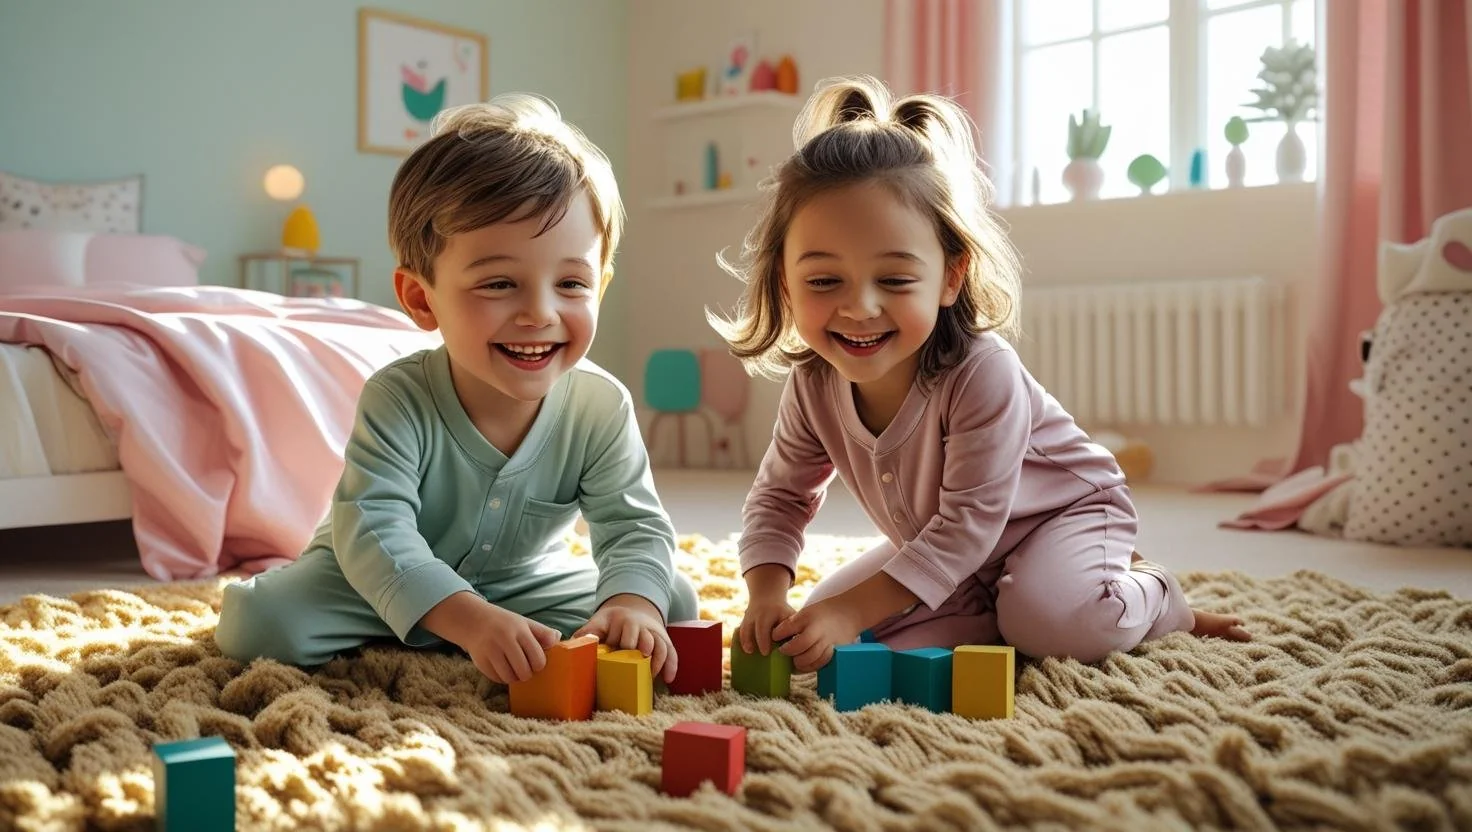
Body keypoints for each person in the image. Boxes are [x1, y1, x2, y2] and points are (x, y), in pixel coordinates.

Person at [710, 76, 1250, 673]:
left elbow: (965, 528)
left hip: (1063, 517)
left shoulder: (981, 372)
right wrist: (767, 595)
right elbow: (781, 496)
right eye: (823, 280)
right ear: (786, 284)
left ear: (951, 276)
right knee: (839, 634)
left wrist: (852, 610)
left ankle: (1155, 595)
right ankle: (1004, 606)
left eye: (894, 280)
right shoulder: (813, 384)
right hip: (956, 552)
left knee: (1050, 625)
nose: (859, 307)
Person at [217, 95, 697, 685]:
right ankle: (436, 623)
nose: (540, 313)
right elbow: (374, 527)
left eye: (572, 283)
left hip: (522, 583)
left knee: (668, 600)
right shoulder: (398, 398)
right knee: (258, 623)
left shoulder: (601, 406)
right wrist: (469, 621)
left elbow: (633, 527)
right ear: (422, 299)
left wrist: (631, 604)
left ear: (600, 286)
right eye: (499, 284)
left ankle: (488, 628)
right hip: (372, 576)